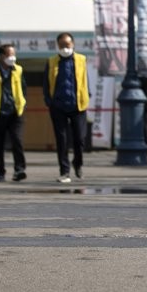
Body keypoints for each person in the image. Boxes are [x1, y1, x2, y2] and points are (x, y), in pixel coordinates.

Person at [43, 32, 90, 184]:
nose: (65, 48)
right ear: (58, 46)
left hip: (78, 105)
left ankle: (78, 163)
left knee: (80, 138)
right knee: (62, 139)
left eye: (67, 45)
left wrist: (86, 95)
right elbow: (46, 83)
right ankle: (64, 171)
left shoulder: (81, 60)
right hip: (58, 106)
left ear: (73, 44)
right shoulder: (51, 62)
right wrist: (49, 101)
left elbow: (85, 80)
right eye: (62, 45)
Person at [0, 44, 26, 182]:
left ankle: (19, 170)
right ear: (2, 56)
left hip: (15, 112)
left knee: (17, 140)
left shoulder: (18, 69)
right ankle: (0, 172)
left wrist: (22, 104)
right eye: (9, 55)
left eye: (13, 54)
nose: (12, 58)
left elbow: (23, 88)